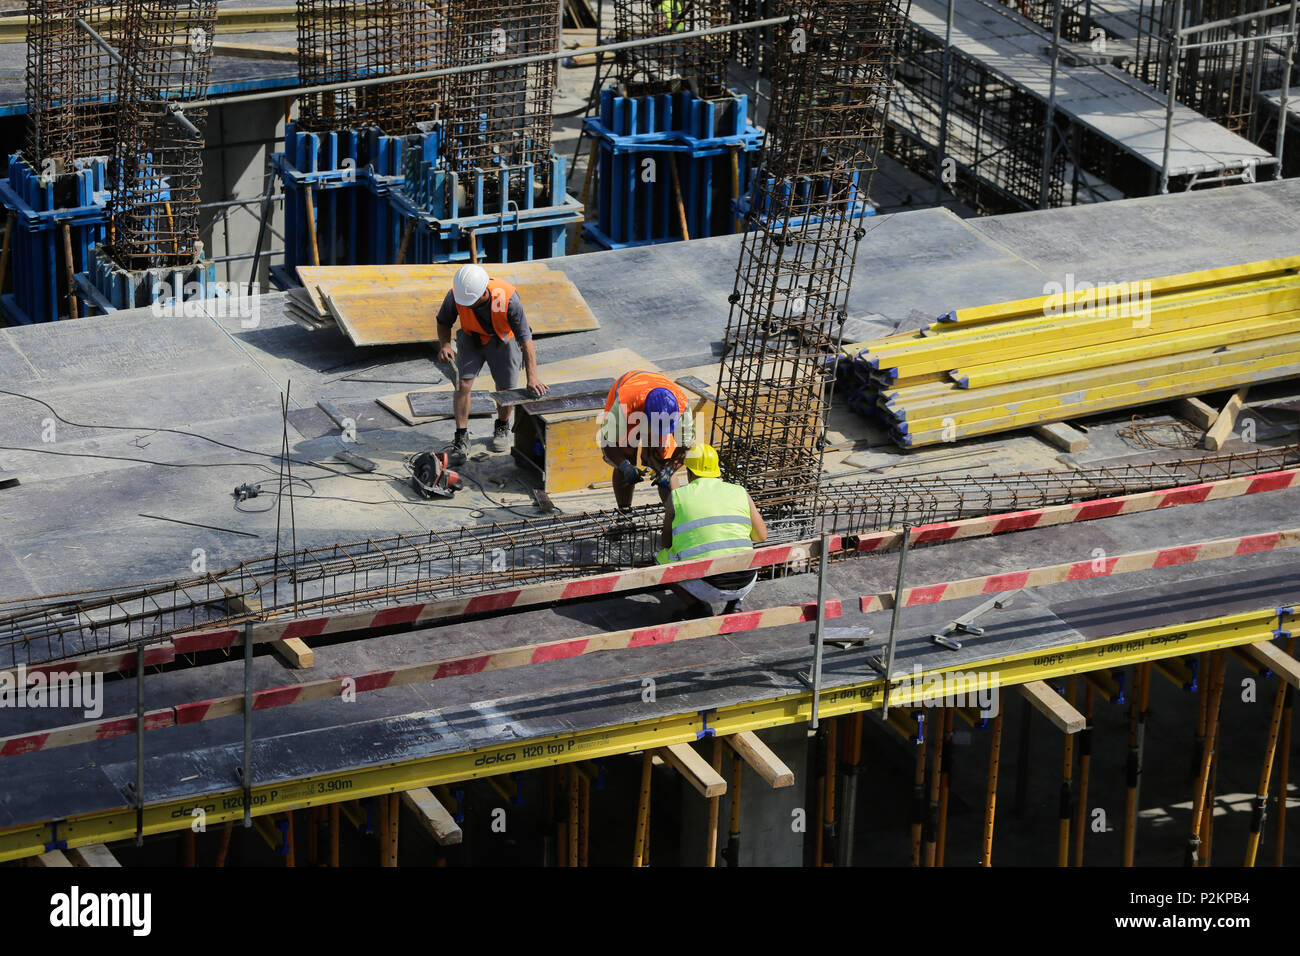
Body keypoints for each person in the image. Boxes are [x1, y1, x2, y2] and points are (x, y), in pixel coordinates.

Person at [436, 264, 548, 464]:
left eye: (471, 302)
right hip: (471, 338)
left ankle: (502, 425)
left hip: (503, 339)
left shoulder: (509, 299)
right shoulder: (456, 294)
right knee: (463, 385)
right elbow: (443, 321)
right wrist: (445, 344)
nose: (467, 305)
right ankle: (461, 436)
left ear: (483, 293)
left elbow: (526, 339)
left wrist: (532, 377)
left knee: (505, 389)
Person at [658, 443, 767, 619]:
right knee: (741, 544)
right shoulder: (740, 491)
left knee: (661, 558)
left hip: (706, 586)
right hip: (746, 581)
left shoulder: (678, 496)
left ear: (690, 472)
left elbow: (667, 543)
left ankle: (697, 607)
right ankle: (736, 602)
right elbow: (761, 536)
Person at [599, 369, 696, 511]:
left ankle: (674, 515)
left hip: (651, 397)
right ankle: (624, 512)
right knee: (625, 454)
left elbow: (686, 448)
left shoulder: (681, 406)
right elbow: (608, 443)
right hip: (630, 397)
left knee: (662, 460)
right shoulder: (624, 404)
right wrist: (625, 466)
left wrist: (669, 470)